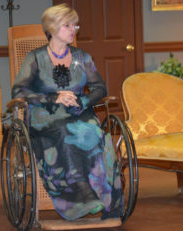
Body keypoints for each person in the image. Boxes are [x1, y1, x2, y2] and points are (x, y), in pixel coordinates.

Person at [12, 4, 122, 221]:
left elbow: (100, 88)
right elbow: (19, 90)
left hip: (79, 111)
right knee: (65, 131)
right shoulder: (35, 58)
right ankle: (81, 197)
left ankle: (105, 198)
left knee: (95, 132)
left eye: (75, 25)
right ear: (52, 28)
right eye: (68, 25)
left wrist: (82, 100)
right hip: (46, 114)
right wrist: (54, 97)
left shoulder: (82, 57)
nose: (74, 29)